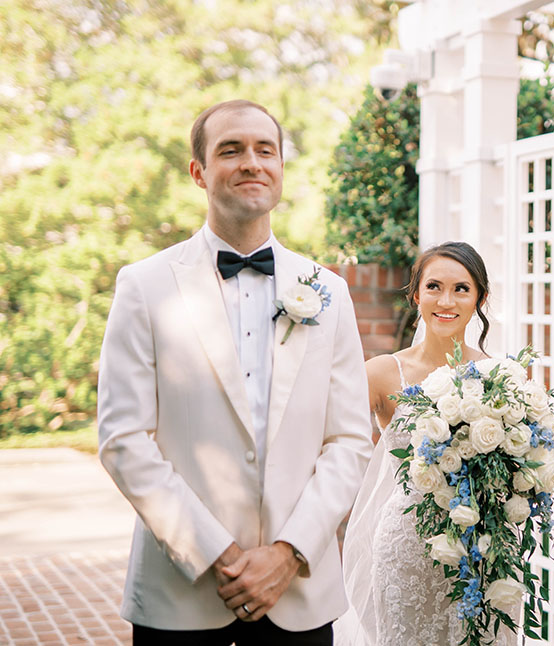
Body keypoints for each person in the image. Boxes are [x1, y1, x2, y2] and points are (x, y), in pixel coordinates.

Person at [97, 99, 373, 645]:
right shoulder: (144, 285)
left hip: (299, 597)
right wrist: (216, 552)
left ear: (281, 169)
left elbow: (349, 440)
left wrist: (288, 553)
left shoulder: (328, 291)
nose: (252, 162)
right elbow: (122, 439)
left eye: (264, 150)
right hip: (182, 597)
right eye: (231, 150)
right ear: (199, 172)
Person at [339, 242, 516, 645]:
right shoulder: (382, 373)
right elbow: (331, 439)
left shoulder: (505, 376)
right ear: (416, 294)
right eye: (434, 286)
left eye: (461, 289)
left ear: (480, 299)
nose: (446, 300)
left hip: (483, 548)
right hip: (406, 546)